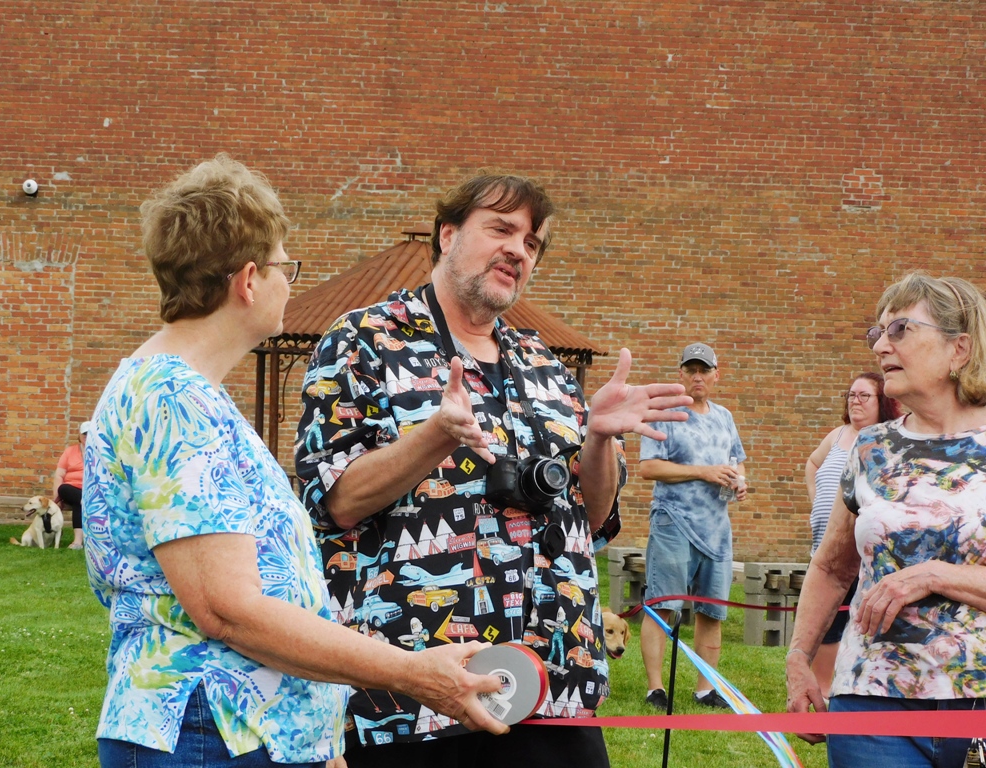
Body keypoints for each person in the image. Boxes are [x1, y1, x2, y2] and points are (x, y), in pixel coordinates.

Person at [82, 154, 507, 768]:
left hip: (252, 734)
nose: (289, 282)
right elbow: (228, 610)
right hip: (210, 733)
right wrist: (413, 673)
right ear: (248, 281)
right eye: (286, 266)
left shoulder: (189, 394)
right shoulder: (172, 400)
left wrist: (317, 731)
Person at [295, 173, 693, 768]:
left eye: (531, 243)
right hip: (416, 694)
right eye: (501, 229)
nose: (518, 250)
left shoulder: (544, 363)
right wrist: (434, 438)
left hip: (556, 682)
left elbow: (592, 518)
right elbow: (335, 501)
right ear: (448, 235)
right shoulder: (364, 340)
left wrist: (598, 440)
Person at [786, 272, 986, 767]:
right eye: (877, 332)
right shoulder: (871, 448)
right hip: (871, 703)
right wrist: (799, 659)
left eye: (900, 329)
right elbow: (832, 567)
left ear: (959, 348)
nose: (880, 346)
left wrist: (933, 575)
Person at [638, 342, 747, 711]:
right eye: (691, 370)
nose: (698, 376)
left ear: (716, 375)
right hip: (674, 522)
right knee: (663, 605)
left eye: (705, 370)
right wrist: (703, 472)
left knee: (711, 611)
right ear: (681, 374)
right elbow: (649, 468)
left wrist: (740, 481)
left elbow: (737, 461)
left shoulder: (724, 417)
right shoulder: (664, 414)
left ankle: (705, 689)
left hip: (716, 529)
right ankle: (655, 688)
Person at [803, 372, 900, 698]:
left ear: (881, 402)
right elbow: (812, 464)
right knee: (826, 624)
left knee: (856, 623)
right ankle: (823, 692)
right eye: (851, 395)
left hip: (862, 559)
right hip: (824, 549)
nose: (855, 401)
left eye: (864, 396)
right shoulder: (838, 435)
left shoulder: (885, 440)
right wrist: (818, 501)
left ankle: (849, 691)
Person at [53, 420, 90, 549]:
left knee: (78, 503)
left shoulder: (100, 452)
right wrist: (56, 499)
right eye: (84, 434)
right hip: (72, 490)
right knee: (64, 488)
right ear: (79, 435)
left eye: (90, 434)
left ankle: (77, 542)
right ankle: (85, 501)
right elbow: (59, 475)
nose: (87, 437)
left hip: (90, 490)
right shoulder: (70, 451)